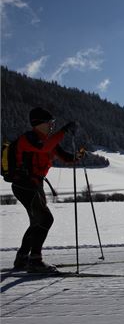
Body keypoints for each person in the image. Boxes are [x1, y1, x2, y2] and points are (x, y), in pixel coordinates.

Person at [11, 107, 80, 273]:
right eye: (50, 122)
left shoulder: (49, 141)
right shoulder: (28, 139)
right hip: (25, 185)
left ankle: (22, 258)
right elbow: (42, 148)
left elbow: (65, 157)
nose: (52, 125)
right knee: (45, 219)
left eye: (53, 123)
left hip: (36, 185)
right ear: (39, 124)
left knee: (37, 221)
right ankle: (35, 260)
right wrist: (63, 131)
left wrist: (79, 156)